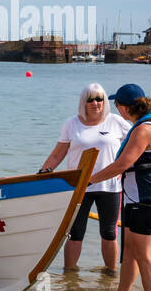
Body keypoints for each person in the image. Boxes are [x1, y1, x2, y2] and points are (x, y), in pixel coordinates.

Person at [86, 84, 151, 291]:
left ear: (124, 107)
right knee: (129, 253)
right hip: (135, 198)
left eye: (117, 105)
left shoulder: (144, 130)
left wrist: (88, 181)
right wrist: (149, 168)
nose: (117, 109)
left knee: (142, 255)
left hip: (149, 200)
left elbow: (121, 164)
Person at [37, 83, 131, 274]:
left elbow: (136, 146)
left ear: (105, 101)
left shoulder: (116, 122)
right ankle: (69, 275)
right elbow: (57, 154)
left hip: (110, 186)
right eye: (90, 99)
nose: (95, 103)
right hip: (80, 187)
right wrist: (42, 174)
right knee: (74, 234)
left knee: (109, 233)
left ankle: (111, 274)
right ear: (83, 102)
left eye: (99, 99)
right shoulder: (71, 124)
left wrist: (132, 168)